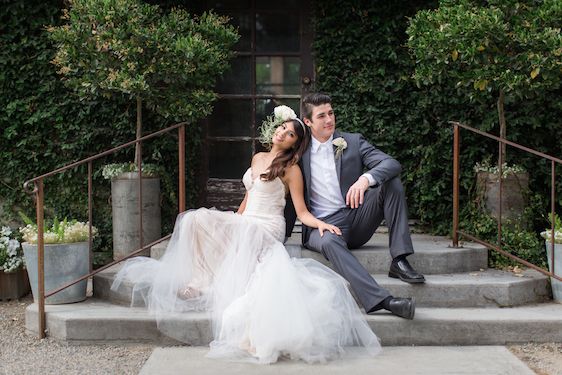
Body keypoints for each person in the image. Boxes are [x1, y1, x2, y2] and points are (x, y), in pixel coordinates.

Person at [111, 106, 381, 364]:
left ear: (294, 144)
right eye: (283, 128)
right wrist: (233, 220)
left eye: (290, 134)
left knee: (218, 224)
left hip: (267, 227)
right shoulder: (257, 158)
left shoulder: (291, 169)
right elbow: (249, 196)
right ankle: (201, 280)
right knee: (194, 219)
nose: (283, 134)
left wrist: (321, 224)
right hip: (249, 219)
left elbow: (301, 211)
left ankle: (203, 283)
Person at [285, 93, 425, 321]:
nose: (329, 119)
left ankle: (399, 259)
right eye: (322, 116)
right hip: (321, 227)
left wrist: (365, 179)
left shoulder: (352, 141)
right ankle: (384, 300)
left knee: (391, 184)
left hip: (357, 218)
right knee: (329, 240)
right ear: (308, 122)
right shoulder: (298, 154)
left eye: (331, 113)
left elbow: (391, 163)